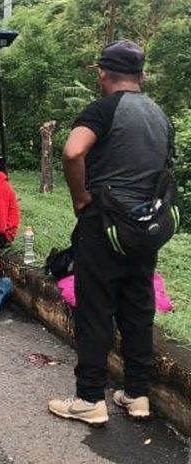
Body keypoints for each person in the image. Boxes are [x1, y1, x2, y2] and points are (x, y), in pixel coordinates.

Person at [49, 40, 174, 425]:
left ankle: (90, 398)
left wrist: (80, 198)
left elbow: (72, 152)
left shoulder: (103, 109)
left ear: (103, 73)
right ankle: (137, 395)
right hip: (145, 226)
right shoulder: (159, 115)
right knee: (138, 307)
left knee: (96, 308)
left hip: (103, 223)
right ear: (142, 75)